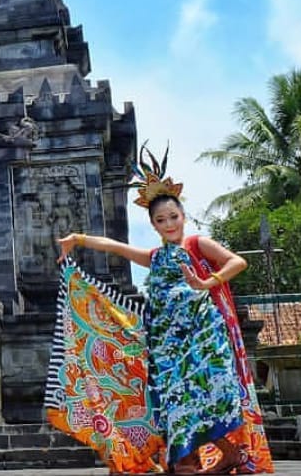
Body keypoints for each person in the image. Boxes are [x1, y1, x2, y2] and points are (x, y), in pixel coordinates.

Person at [52, 146, 274, 475]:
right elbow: (115, 246)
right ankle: (212, 456)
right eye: (161, 220)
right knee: (178, 402)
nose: (169, 223)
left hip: (202, 336)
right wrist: (78, 239)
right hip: (168, 343)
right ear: (153, 225)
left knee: (206, 396)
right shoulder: (154, 256)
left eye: (173, 216)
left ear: (183, 216)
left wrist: (205, 282)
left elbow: (237, 262)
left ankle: (224, 455)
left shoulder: (196, 244)